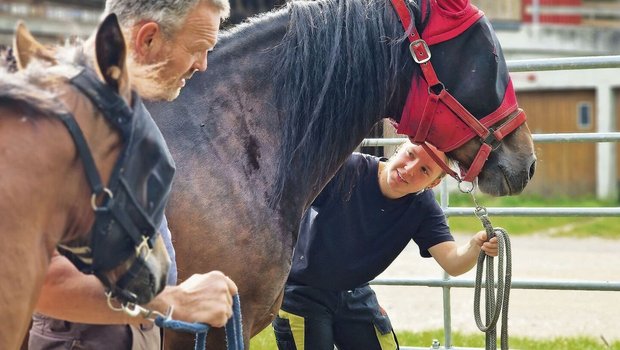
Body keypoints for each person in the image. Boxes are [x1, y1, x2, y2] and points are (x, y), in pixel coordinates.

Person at [28, 1, 235, 349]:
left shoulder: (119, 107)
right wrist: (175, 301)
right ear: (148, 38)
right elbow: (39, 280)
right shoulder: (60, 112)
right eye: (197, 49)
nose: (203, 65)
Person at [272, 140, 499, 350]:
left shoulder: (422, 206)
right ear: (399, 148)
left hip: (355, 291)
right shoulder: (346, 168)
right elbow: (281, 198)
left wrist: (475, 245)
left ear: (434, 183)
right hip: (302, 291)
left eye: (425, 170)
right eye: (410, 154)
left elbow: (453, 263)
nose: (409, 169)